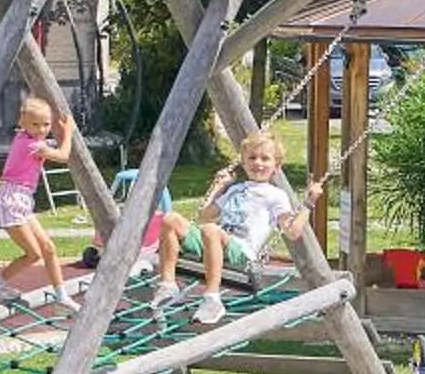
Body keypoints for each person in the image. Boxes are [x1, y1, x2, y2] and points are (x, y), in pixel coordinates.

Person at [193, 131, 306, 326]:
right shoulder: (235, 190)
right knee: (172, 220)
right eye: (252, 158)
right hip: (218, 245)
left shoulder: (275, 195)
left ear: (276, 167)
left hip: (242, 253)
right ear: (243, 163)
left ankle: (212, 298)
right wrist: (219, 187)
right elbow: (204, 216)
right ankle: (166, 285)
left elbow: (292, 231)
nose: (258, 163)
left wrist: (309, 203)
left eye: (265, 158)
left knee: (211, 230)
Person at [0, 96, 78, 306]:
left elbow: (52, 145)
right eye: (35, 124)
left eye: (46, 124)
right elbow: (64, 155)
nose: (41, 129)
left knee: (48, 248)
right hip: (11, 200)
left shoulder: (27, 138)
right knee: (34, 253)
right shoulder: (32, 145)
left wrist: (59, 132)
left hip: (23, 200)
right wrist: (69, 131)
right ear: (22, 122)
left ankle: (61, 295)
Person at [99, 168, 193, 301]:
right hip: (138, 252)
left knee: (145, 262)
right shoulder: (128, 217)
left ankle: (139, 276)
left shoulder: (157, 217)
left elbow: (155, 242)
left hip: (149, 254)